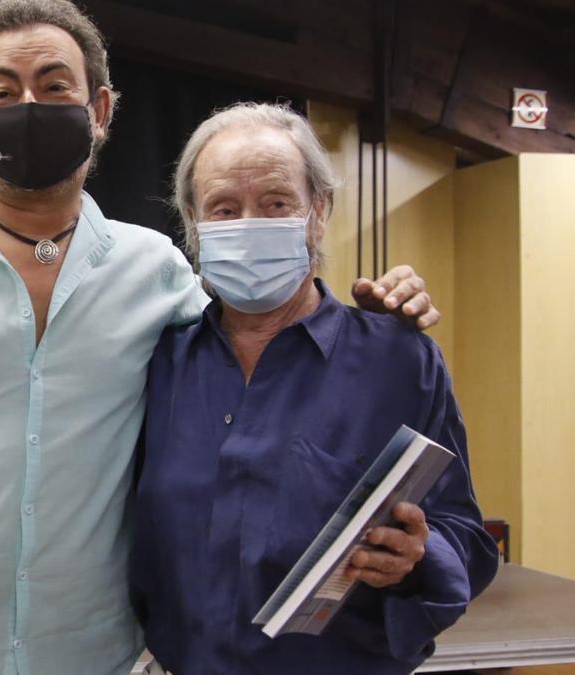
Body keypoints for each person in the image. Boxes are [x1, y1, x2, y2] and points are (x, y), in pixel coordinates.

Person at [0, 2, 438, 673]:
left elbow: (268, 337)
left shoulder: (156, 269)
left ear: (100, 110)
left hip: (95, 657)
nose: (31, 104)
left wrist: (381, 310)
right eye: (4, 92)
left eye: (55, 85)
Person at [130, 102, 499, 674]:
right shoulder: (159, 363)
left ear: (318, 211)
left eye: (276, 203)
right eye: (224, 209)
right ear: (192, 223)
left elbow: (466, 537)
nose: (249, 224)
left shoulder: (398, 361)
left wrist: (420, 556)